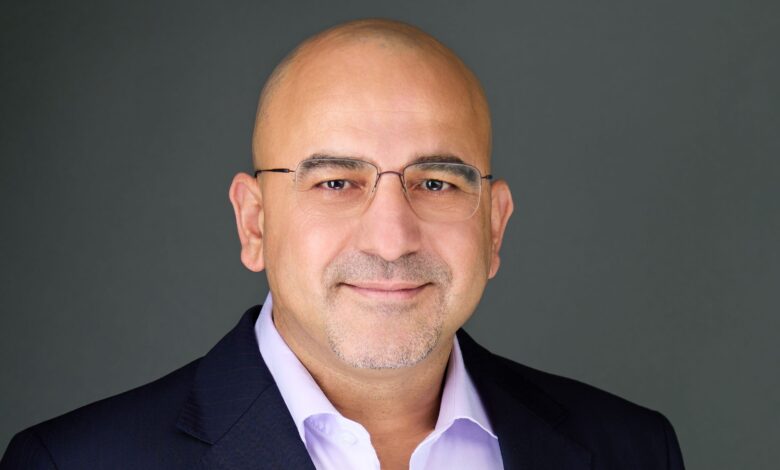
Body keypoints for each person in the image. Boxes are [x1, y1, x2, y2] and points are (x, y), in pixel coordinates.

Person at [0, 18, 684, 470]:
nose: (391, 239)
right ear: (254, 223)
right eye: (335, 183)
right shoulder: (73, 464)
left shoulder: (632, 451)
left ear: (494, 225)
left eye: (437, 183)